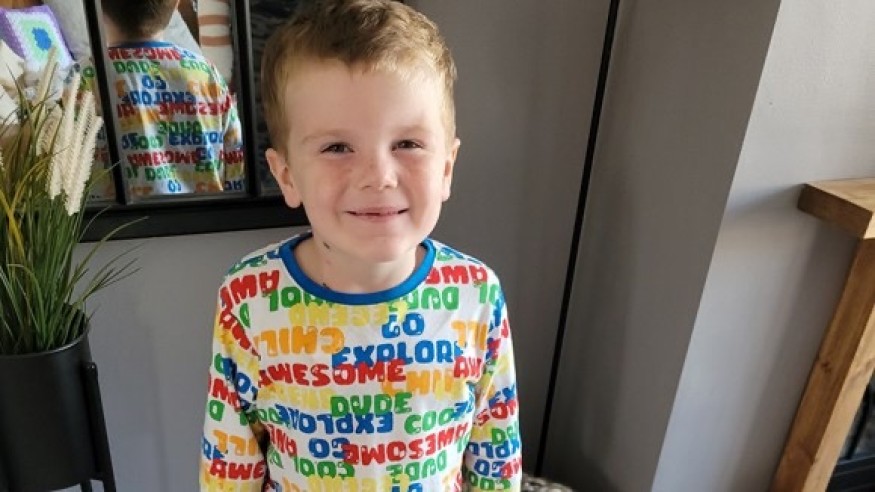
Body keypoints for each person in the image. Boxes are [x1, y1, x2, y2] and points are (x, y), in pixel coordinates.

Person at [199, 1, 522, 490]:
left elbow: (496, 457)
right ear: (287, 176)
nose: (378, 176)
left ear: (446, 168)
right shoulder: (250, 297)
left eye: (407, 144)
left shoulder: (477, 294)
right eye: (337, 147)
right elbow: (229, 463)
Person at [82, 0, 245, 199]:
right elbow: (235, 157)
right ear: (176, 4)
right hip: (205, 215)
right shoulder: (206, 73)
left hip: (115, 218)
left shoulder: (86, 77)